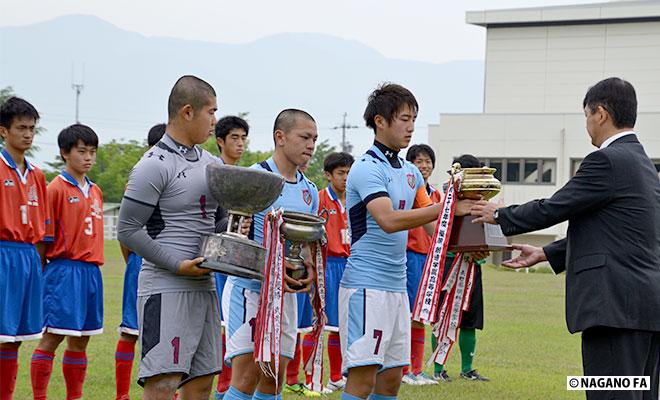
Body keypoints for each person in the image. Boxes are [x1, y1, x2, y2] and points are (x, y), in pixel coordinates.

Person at [471, 77, 660, 400]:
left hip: (615, 309)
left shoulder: (607, 160)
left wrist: (500, 215)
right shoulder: (643, 165)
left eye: (587, 115)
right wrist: (546, 254)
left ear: (600, 113)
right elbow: (620, 235)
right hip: (644, 309)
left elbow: (556, 207)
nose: (587, 124)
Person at [339, 83, 475, 400]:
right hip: (365, 287)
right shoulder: (366, 167)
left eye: (414, 118)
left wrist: (470, 242)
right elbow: (387, 220)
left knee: (391, 381)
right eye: (403, 118)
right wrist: (445, 209)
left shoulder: (411, 172)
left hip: (398, 288)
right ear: (379, 121)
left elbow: (434, 229)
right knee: (363, 378)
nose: (411, 126)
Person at [117, 75, 223, 400]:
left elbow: (220, 222)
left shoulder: (213, 163)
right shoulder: (152, 165)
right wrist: (177, 265)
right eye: (211, 111)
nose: (214, 121)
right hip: (166, 287)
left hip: (204, 287)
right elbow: (127, 230)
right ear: (188, 112)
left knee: (203, 381)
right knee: (163, 382)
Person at [222, 109, 318, 400]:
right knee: (246, 376)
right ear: (280, 137)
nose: (311, 145)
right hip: (250, 292)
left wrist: (309, 267)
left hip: (286, 297)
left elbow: (306, 245)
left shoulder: (309, 191)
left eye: (314, 138)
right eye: (304, 137)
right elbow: (234, 239)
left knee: (274, 378)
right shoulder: (254, 177)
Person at [29, 124, 103, 400]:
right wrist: (44, 276)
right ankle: (39, 396)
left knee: (81, 338)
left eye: (92, 152)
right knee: (52, 337)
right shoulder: (55, 189)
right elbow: (41, 240)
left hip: (91, 272)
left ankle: (74, 396)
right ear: (64, 153)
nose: (88, 158)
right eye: (82, 151)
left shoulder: (95, 190)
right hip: (63, 270)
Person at [0, 97, 52, 400]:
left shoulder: (36, 174)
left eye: (32, 128)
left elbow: (41, 229)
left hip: (27, 257)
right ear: (4, 131)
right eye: (21, 128)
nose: (28, 134)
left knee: (14, 338)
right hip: (3, 253)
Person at [114, 122, 165, 400]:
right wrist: (135, 260)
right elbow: (126, 231)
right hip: (142, 260)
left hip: (170, 262)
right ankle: (122, 395)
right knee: (132, 329)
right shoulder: (140, 178)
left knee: (167, 331)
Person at [431, 154, 489, 383]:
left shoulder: (482, 199)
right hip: (449, 263)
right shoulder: (445, 199)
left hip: (473, 264)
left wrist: (483, 252)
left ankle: (467, 368)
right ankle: (438, 368)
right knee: (443, 317)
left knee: (470, 319)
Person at [212, 115, 249, 400]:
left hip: (238, 263)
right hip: (215, 262)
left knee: (234, 327)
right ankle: (220, 384)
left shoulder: (249, 177)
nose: (240, 143)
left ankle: (228, 386)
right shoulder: (211, 174)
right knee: (218, 326)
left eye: (243, 138)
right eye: (234, 138)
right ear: (220, 141)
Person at [401, 144, 441, 386]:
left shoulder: (436, 196)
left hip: (430, 260)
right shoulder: (405, 193)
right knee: (407, 314)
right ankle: (403, 368)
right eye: (419, 161)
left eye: (428, 161)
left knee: (422, 315)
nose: (424, 166)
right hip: (410, 256)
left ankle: (416, 369)